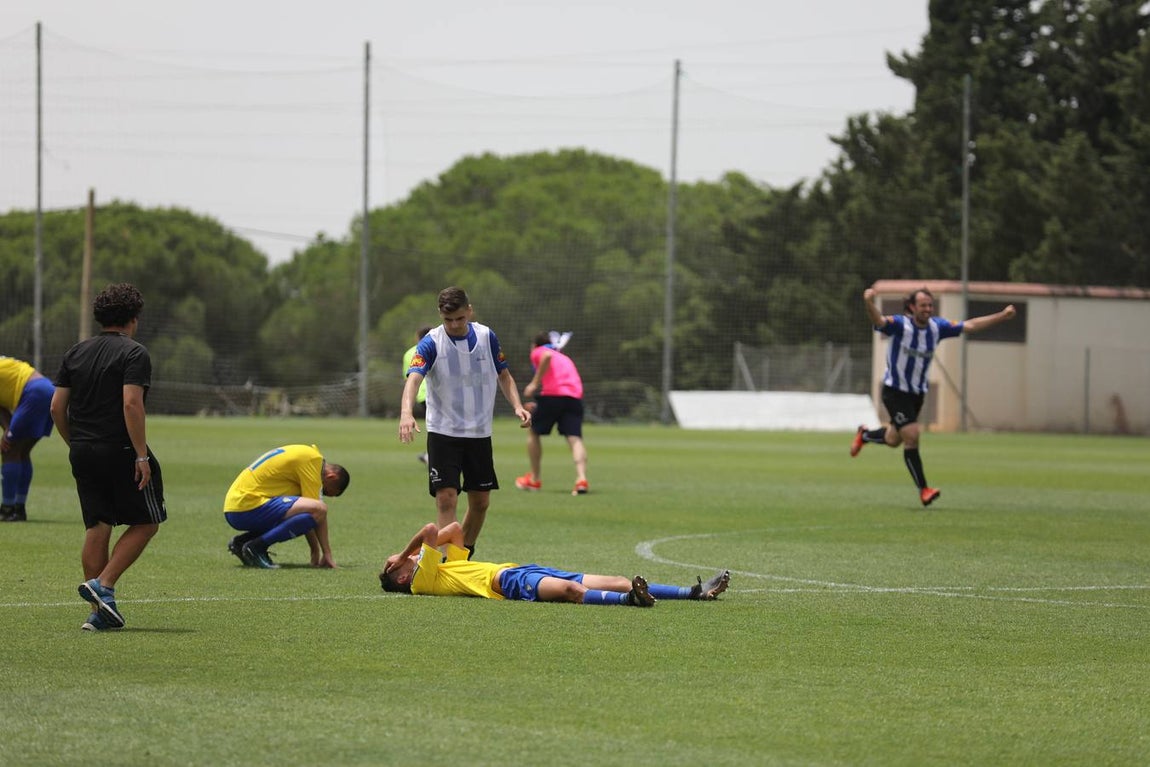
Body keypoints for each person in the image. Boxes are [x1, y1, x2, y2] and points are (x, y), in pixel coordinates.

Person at [50, 283, 166, 632]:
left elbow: (57, 407)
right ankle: (105, 584)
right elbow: (131, 403)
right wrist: (142, 456)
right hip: (120, 448)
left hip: (82, 448)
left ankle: (100, 612)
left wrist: (76, 442)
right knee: (148, 521)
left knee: (97, 524)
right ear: (134, 318)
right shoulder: (134, 353)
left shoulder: (75, 352)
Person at [851, 286, 1016, 506]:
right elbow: (879, 321)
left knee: (893, 439)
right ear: (912, 307)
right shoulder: (901, 325)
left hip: (917, 394)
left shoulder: (938, 328)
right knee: (912, 434)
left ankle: (865, 436)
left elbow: (971, 325)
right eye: (923, 305)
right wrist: (869, 302)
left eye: (930, 305)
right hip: (894, 391)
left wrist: (1002, 317)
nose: (928, 309)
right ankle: (924, 490)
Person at [398, 286, 532, 559]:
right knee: (446, 496)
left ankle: (461, 555)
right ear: (440, 316)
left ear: (469, 311)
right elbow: (414, 379)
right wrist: (406, 413)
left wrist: (517, 405)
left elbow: (503, 375)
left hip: (479, 432)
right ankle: (448, 561)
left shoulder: (487, 336)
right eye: (448, 320)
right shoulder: (431, 343)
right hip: (443, 431)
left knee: (481, 502)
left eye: (460, 318)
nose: (455, 325)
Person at [379, 520, 730, 606]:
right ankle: (630, 602)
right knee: (570, 590)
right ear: (398, 576)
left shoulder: (437, 568)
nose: (397, 558)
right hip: (505, 584)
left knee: (621, 578)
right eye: (392, 563)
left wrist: (404, 556)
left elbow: (454, 530)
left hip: (521, 569)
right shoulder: (420, 581)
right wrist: (405, 552)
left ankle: (693, 592)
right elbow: (428, 530)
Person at [223, 444, 350, 569]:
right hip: (247, 504)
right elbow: (317, 511)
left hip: (235, 507)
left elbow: (308, 516)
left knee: (309, 511)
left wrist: (316, 550)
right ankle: (256, 548)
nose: (321, 492)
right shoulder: (313, 461)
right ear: (331, 477)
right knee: (320, 508)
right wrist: (320, 552)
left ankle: (243, 542)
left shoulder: (307, 455)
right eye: (326, 491)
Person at [515, 331, 590, 496]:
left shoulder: (540, 351)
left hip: (553, 396)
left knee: (533, 432)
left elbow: (546, 357)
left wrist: (534, 384)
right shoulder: (564, 357)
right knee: (574, 438)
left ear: (534, 345)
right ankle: (581, 479)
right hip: (574, 398)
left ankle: (534, 479)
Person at [0, 356, 56, 522]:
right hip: (47, 390)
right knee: (21, 452)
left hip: (34, 393)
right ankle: (19, 508)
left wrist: (8, 431)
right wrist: (8, 428)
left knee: (9, 450)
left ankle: (7, 509)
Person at [403, 325, 433, 464]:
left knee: (435, 425)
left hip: (421, 396)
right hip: (434, 395)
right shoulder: (437, 347)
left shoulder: (409, 353)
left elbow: (407, 379)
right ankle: (431, 455)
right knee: (437, 426)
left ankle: (431, 454)